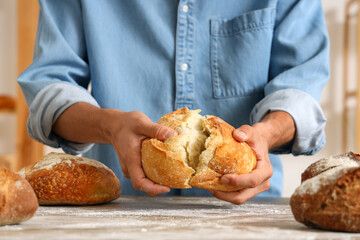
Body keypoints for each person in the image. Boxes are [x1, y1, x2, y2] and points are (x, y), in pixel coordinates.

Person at [18, 0, 329, 205]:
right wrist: (110, 126)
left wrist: (266, 134)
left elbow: (300, 89)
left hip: (246, 213)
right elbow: (50, 92)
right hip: (120, 213)